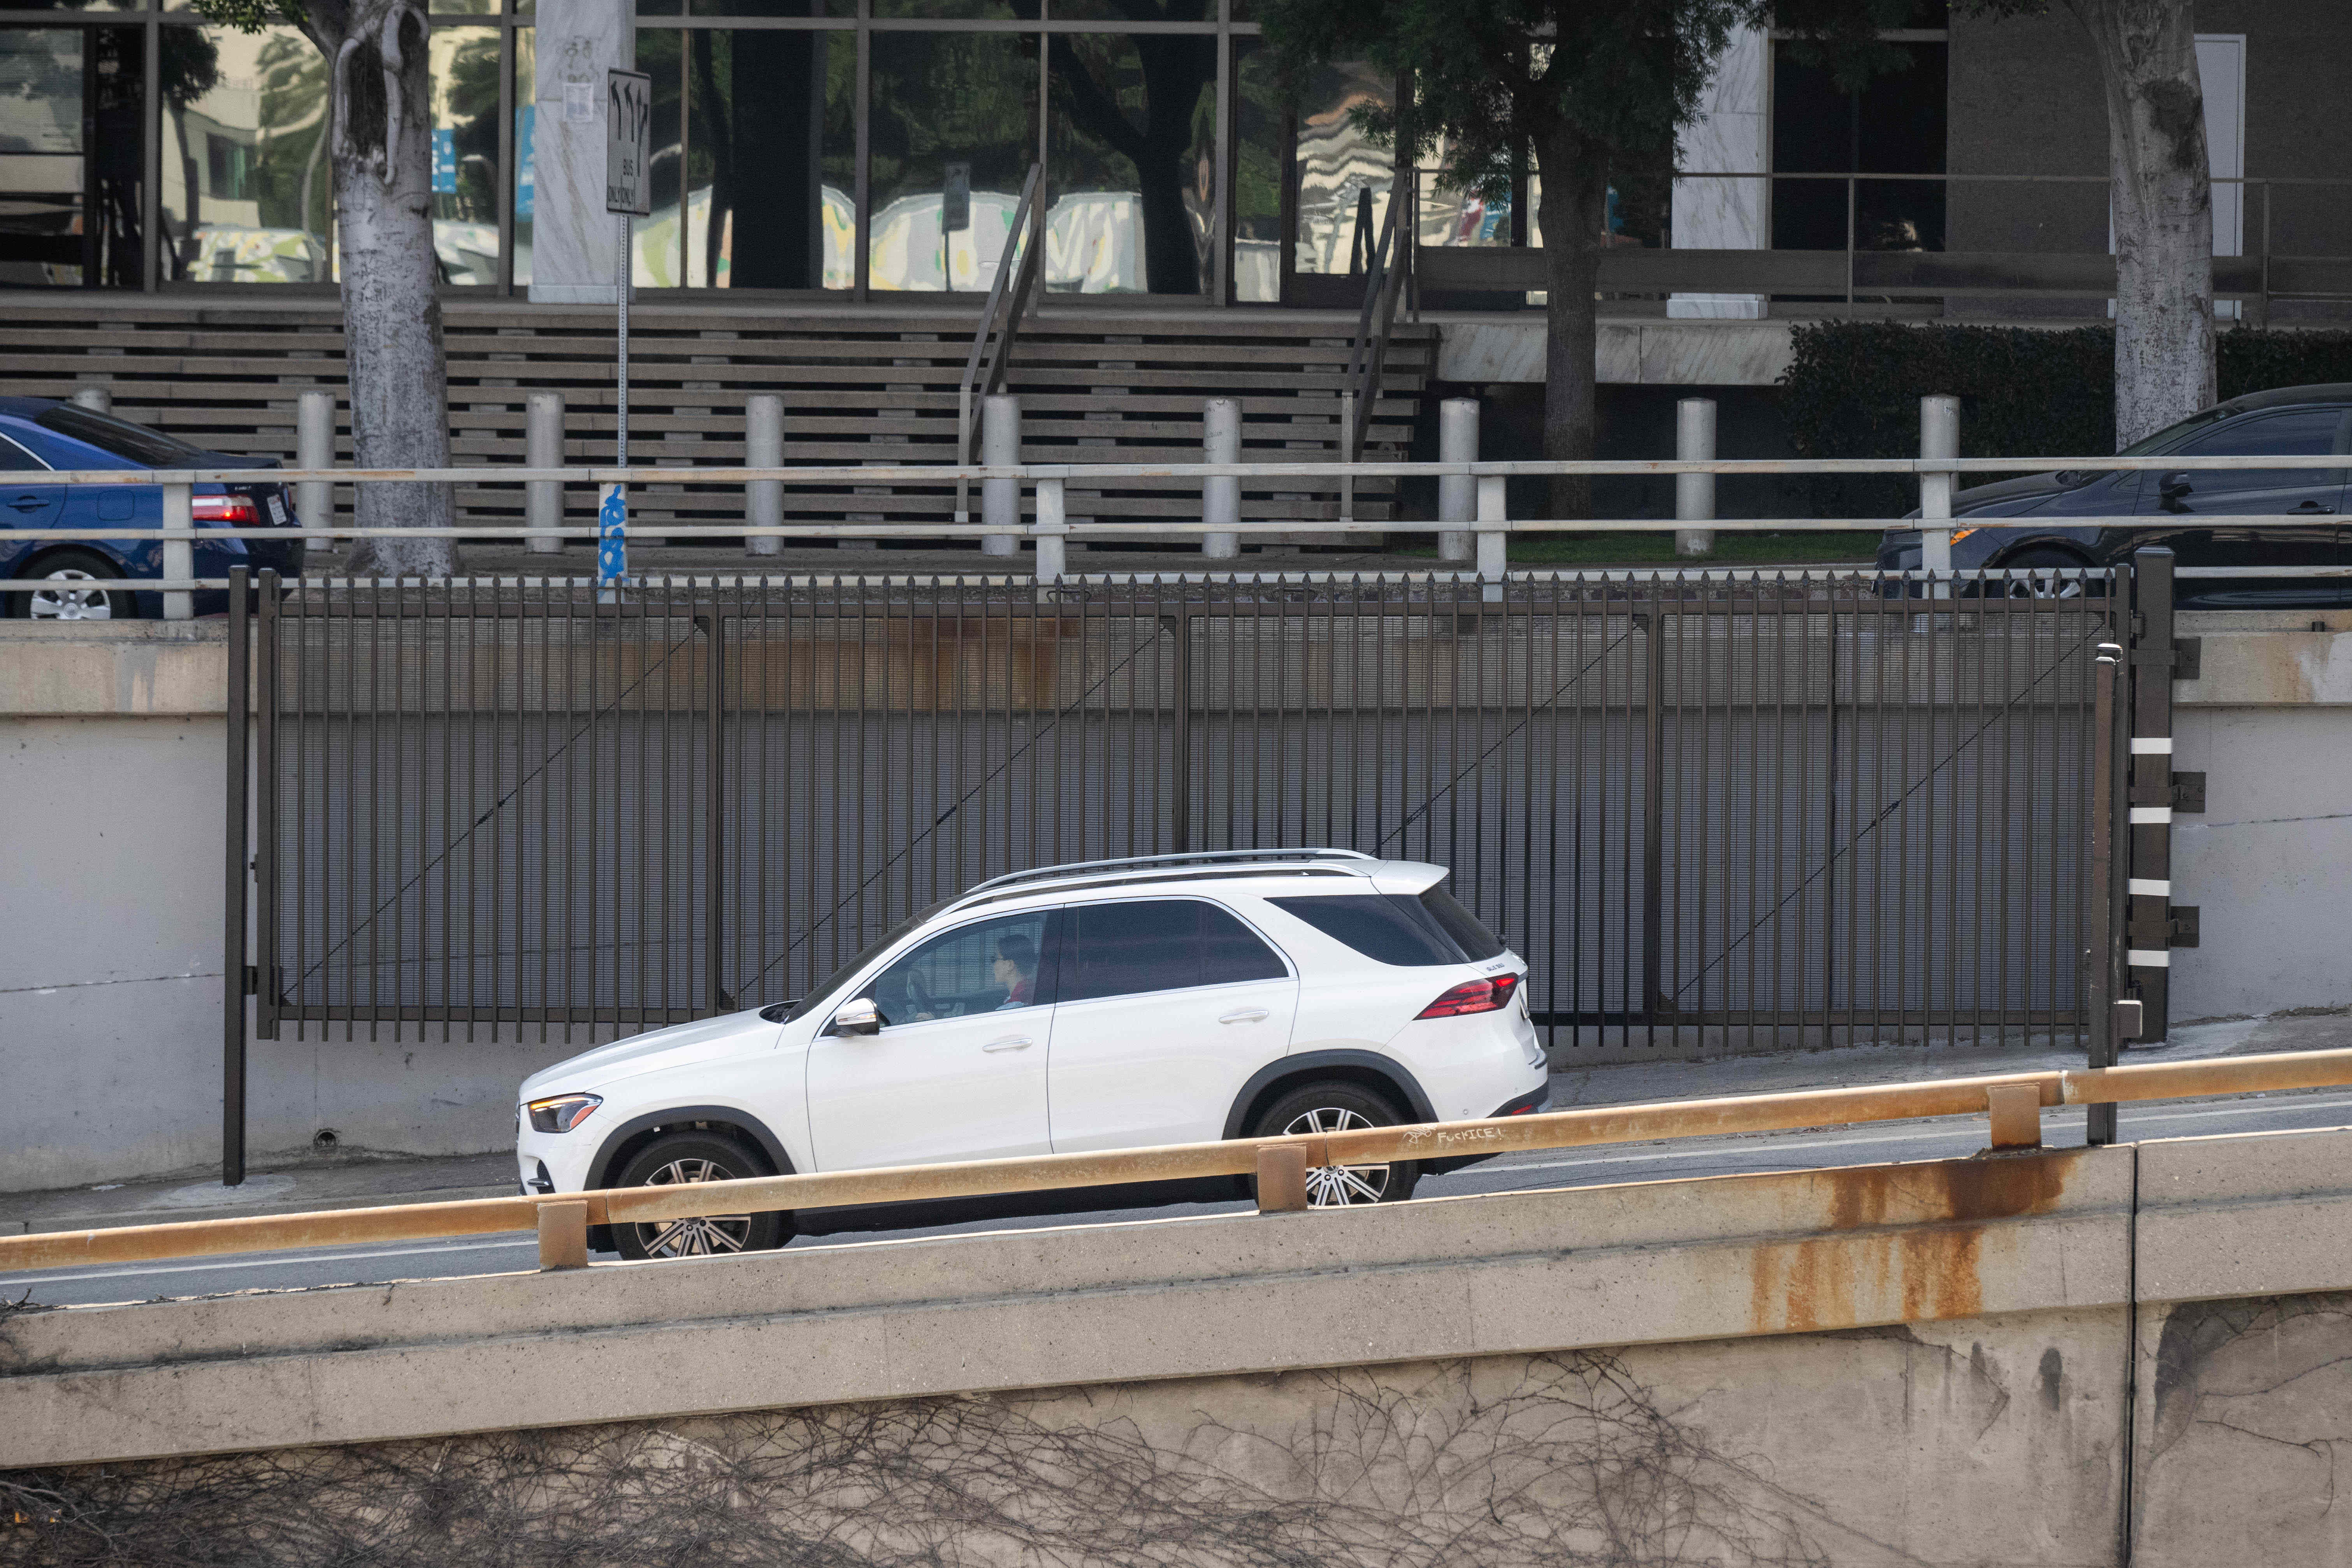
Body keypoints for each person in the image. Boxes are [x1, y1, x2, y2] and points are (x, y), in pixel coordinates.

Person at [992, 932, 1037, 1009]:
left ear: (1010, 965)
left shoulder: (1013, 1006)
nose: (993, 965)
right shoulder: (1032, 992)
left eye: (994, 960)